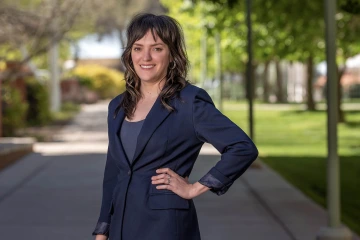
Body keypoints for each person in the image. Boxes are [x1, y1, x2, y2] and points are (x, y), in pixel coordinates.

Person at [92, 13, 258, 240]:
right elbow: (114, 171)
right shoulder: (118, 106)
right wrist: (103, 230)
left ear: (172, 54)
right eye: (138, 48)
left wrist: (195, 187)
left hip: (166, 227)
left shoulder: (189, 102)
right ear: (130, 54)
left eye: (157, 48)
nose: (146, 57)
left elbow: (242, 147)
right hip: (122, 225)